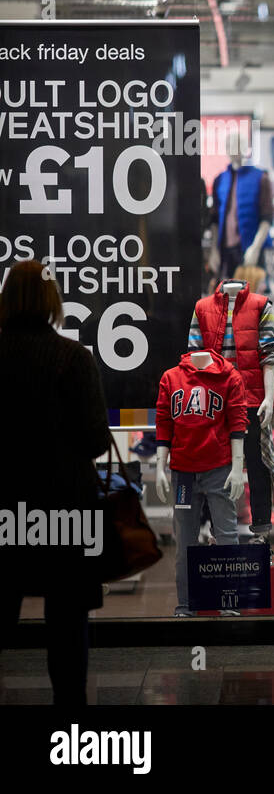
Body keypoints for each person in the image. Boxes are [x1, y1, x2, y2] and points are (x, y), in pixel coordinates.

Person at [0, 261, 112, 705]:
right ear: (52, 301)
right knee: (66, 621)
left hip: (5, 504)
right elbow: (95, 440)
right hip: (65, 507)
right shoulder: (73, 358)